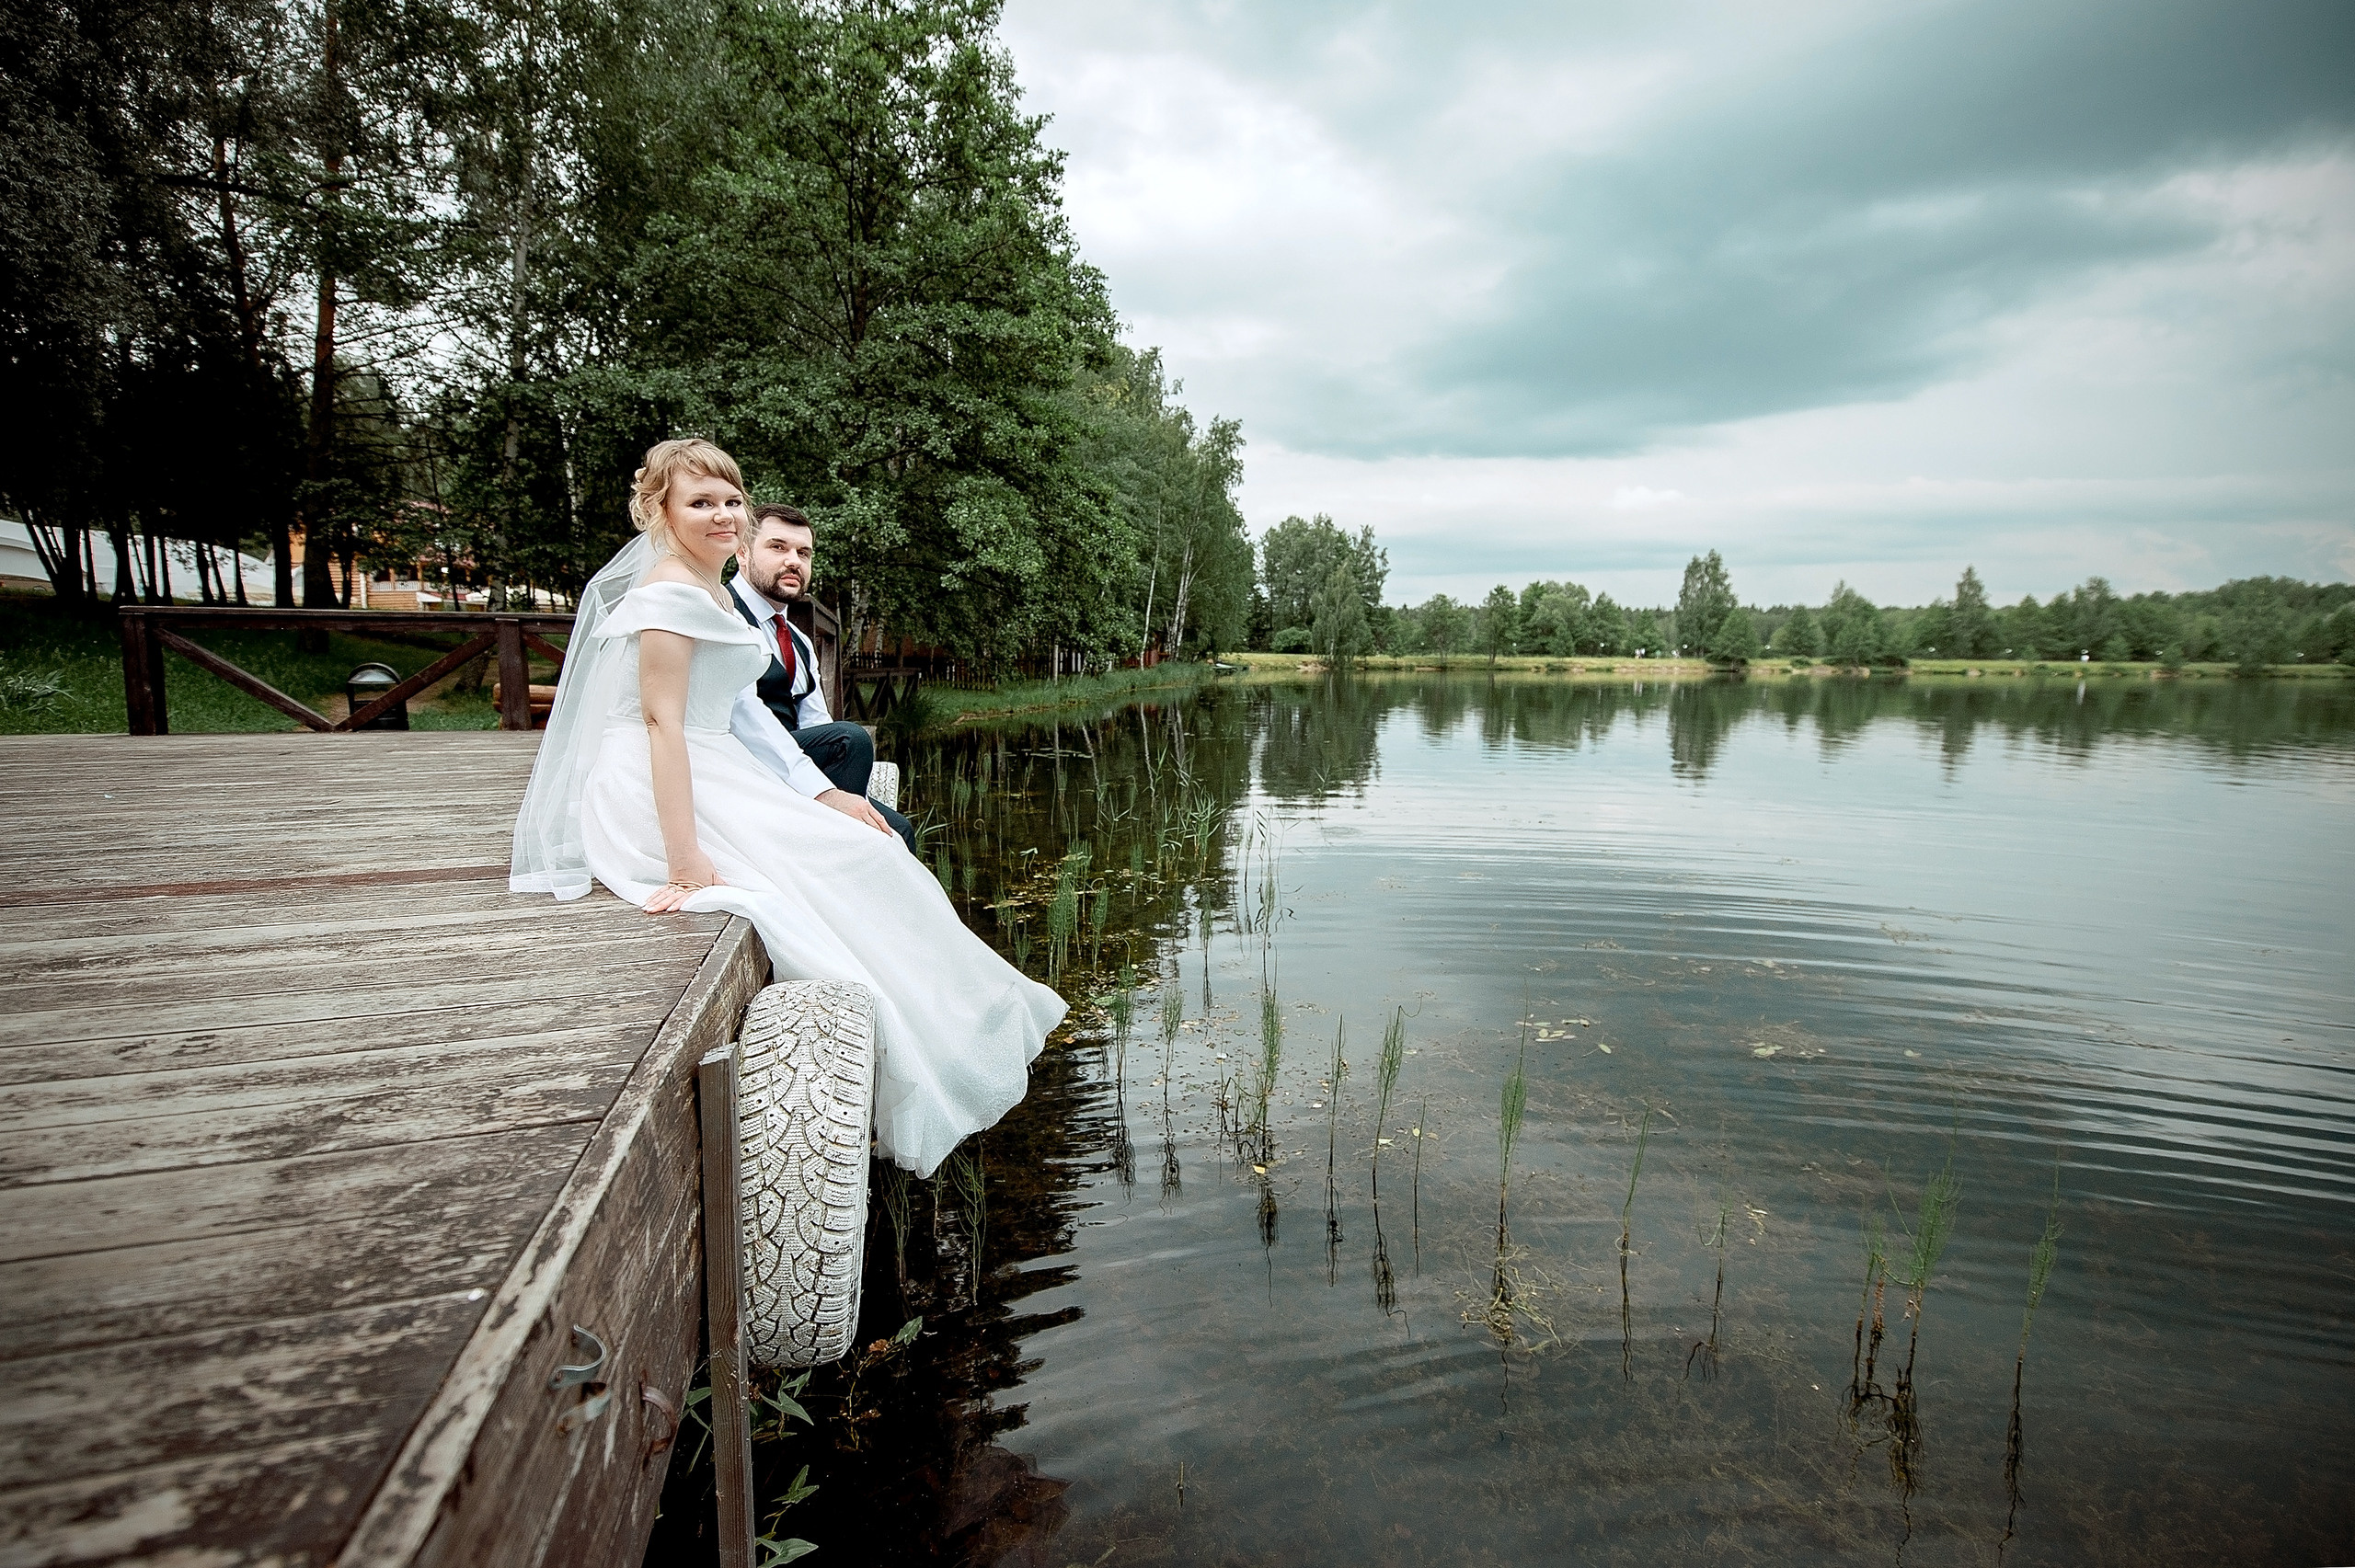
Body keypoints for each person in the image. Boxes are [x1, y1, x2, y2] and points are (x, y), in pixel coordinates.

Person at [509, 438, 1063, 1177]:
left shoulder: (708, 587)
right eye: (700, 501)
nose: (721, 514)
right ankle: (913, 1043)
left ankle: (961, 1019)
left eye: (731, 499)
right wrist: (684, 856)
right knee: (842, 864)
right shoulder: (671, 592)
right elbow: (659, 724)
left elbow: (741, 711)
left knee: (870, 850)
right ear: (661, 511)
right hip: (658, 781)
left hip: (714, 764)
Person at [727, 503, 917, 852]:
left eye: (804, 553)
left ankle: (840, 851)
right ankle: (829, 854)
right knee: (851, 740)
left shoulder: (798, 640)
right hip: (741, 767)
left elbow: (816, 721)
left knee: (898, 831)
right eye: (778, 547)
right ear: (741, 551)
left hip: (789, 765)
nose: (794, 561)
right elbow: (739, 718)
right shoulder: (724, 615)